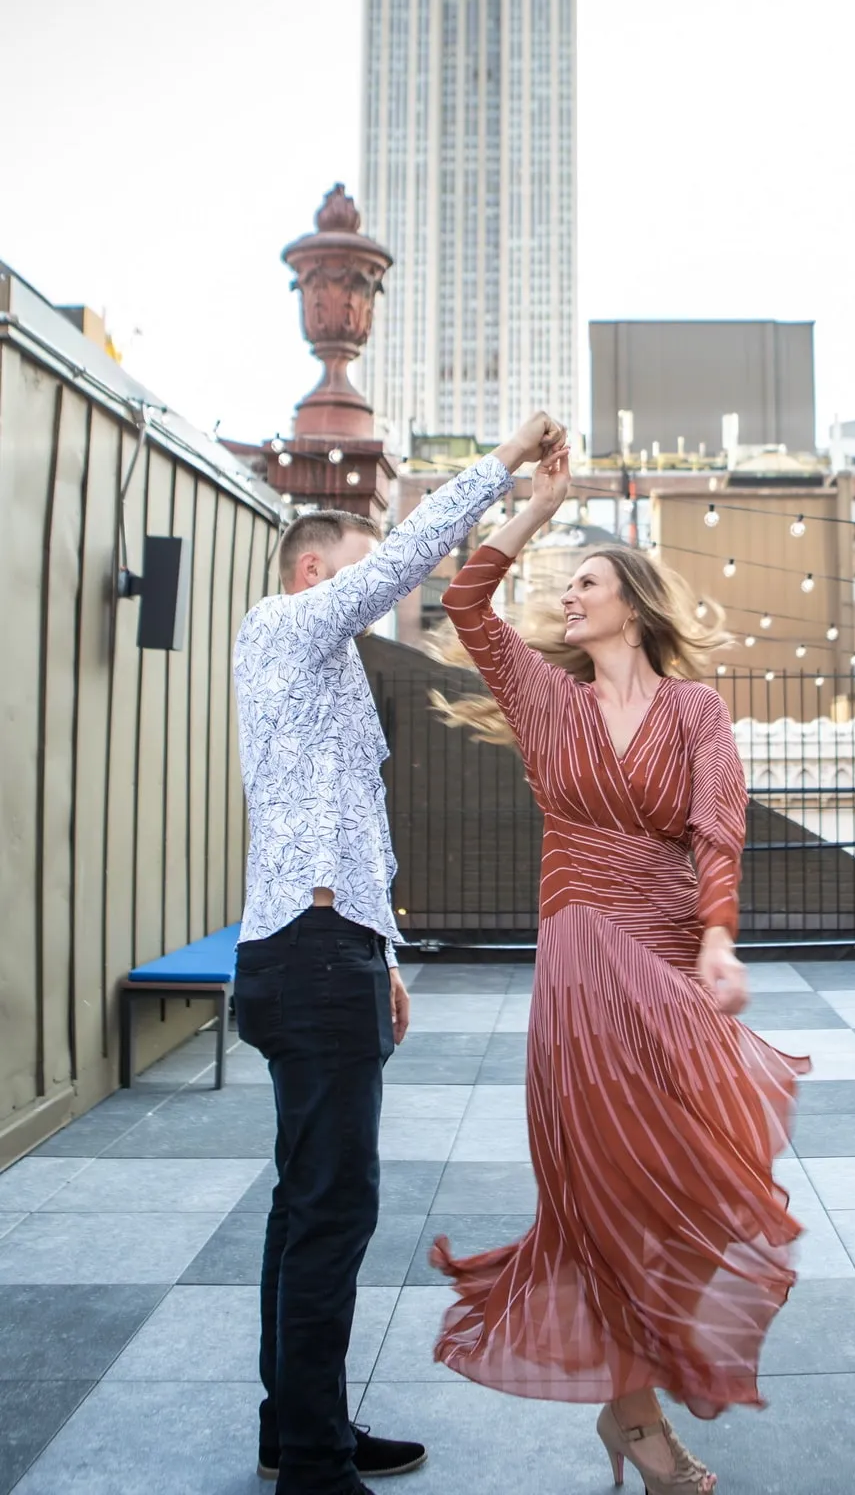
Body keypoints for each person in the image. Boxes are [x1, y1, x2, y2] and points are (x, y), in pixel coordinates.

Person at [429, 447, 810, 1495]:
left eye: (586, 579)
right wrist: (540, 505)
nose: (568, 592)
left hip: (673, 959)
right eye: (566, 582)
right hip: (582, 967)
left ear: (631, 607)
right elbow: (468, 599)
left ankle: (632, 1393)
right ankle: (641, 1427)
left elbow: (717, 834)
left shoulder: (697, 714)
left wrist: (721, 940)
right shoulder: (547, 699)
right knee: (597, 1191)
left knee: (686, 1181)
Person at [232, 413, 564, 1495]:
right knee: (333, 1209)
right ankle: (316, 1466)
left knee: (306, 1204)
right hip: (310, 957)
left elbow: (349, 829)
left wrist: (387, 959)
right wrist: (506, 465)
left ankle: (298, 1429)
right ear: (318, 569)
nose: (392, 599)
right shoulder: (283, 626)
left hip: (333, 951)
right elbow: (417, 551)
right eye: (369, 579)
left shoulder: (327, 683)